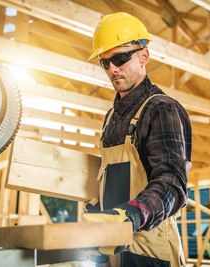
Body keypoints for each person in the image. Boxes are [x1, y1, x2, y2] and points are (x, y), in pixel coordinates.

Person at [82, 12, 192, 267]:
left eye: (120, 58)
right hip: (113, 247)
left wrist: (130, 215)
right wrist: (99, 208)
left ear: (144, 56)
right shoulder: (111, 117)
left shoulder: (161, 109)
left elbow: (171, 185)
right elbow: (118, 179)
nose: (112, 69)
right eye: (104, 63)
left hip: (149, 252)